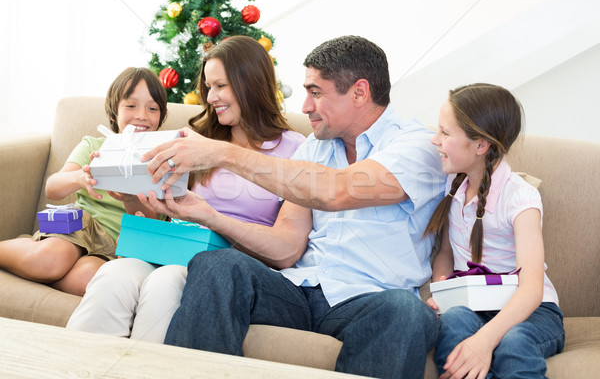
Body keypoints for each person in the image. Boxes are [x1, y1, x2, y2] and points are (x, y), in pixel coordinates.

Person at [141, 35, 447, 378]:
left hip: (369, 300)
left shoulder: (418, 146)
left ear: (360, 92)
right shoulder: (315, 147)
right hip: (300, 290)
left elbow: (337, 190)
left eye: (316, 93)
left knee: (407, 311)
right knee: (219, 265)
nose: (304, 107)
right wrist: (207, 215)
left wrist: (219, 152)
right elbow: (286, 247)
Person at [66, 36, 306, 343]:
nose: (211, 97)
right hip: (174, 247)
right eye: (208, 88)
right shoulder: (195, 139)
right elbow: (158, 217)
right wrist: (128, 193)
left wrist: (210, 217)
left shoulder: (295, 150)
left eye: (221, 86)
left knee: (166, 283)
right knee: (114, 275)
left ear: (251, 83)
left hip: (229, 266)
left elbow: (287, 251)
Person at [423, 83, 565, 378]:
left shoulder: (521, 198)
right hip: (473, 306)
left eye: (445, 133)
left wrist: (486, 339)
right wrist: (443, 287)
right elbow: (446, 254)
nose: (435, 140)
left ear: (479, 145)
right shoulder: (455, 192)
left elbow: (531, 289)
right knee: (453, 324)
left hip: (531, 312)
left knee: (512, 343)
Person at [0, 67, 168, 296]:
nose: (142, 115)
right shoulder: (95, 145)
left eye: (153, 108)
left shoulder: (163, 159)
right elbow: (53, 188)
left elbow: (151, 226)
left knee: (88, 282)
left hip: (118, 243)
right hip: (81, 225)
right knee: (50, 260)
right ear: (113, 113)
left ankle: (38, 264)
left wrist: (131, 198)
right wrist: (81, 177)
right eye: (131, 105)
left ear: (161, 116)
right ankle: (36, 257)